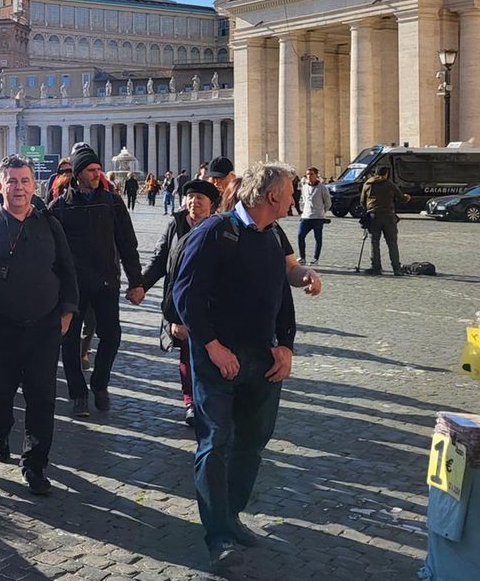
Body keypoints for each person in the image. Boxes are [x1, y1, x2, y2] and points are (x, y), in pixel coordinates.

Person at [173, 162, 299, 571]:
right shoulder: (214, 232)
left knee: (254, 438)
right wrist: (211, 346)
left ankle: (231, 514)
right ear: (272, 197)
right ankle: (219, 535)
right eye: (291, 192)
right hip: (218, 359)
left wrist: (286, 346)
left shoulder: (273, 234)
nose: (295, 199)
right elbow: (185, 295)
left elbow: (282, 295)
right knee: (216, 440)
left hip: (261, 356)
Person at [0, 155, 78, 495]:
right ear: (1, 185)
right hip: (0, 325)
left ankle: (36, 464)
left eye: (25, 181)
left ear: (33, 185)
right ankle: (0, 431)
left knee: (43, 397)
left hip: (43, 326)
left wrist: (68, 310)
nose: (19, 188)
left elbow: (67, 269)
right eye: (12, 181)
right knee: (0, 390)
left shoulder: (49, 224)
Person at [51, 143, 143, 417]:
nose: (97, 173)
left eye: (99, 169)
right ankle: (78, 394)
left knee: (112, 336)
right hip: (72, 287)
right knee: (68, 342)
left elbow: (127, 244)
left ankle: (100, 382)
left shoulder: (112, 202)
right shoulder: (59, 207)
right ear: (78, 173)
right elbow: (51, 252)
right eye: (91, 169)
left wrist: (136, 281)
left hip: (105, 282)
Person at [137, 179, 221, 426]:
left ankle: (209, 399)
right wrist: (141, 286)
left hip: (212, 301)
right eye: (191, 197)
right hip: (181, 301)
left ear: (211, 204)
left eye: (200, 199)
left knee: (210, 352)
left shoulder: (220, 226)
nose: (194, 202)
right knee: (186, 354)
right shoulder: (176, 225)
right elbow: (160, 259)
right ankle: (191, 402)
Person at [360, 166, 407, 276]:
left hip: (373, 216)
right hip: (388, 216)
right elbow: (401, 198)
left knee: (374, 242)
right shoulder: (389, 184)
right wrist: (407, 197)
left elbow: (362, 201)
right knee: (392, 243)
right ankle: (396, 268)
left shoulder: (367, 184)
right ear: (386, 174)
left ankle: (376, 267)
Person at [296, 167, 330, 265]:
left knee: (318, 238)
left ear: (316, 175)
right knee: (300, 235)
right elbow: (304, 199)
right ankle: (302, 257)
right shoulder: (305, 187)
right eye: (307, 174)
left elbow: (328, 202)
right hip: (305, 216)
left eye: (311, 174)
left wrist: (322, 212)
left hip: (318, 217)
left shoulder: (322, 188)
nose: (309, 176)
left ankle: (316, 258)